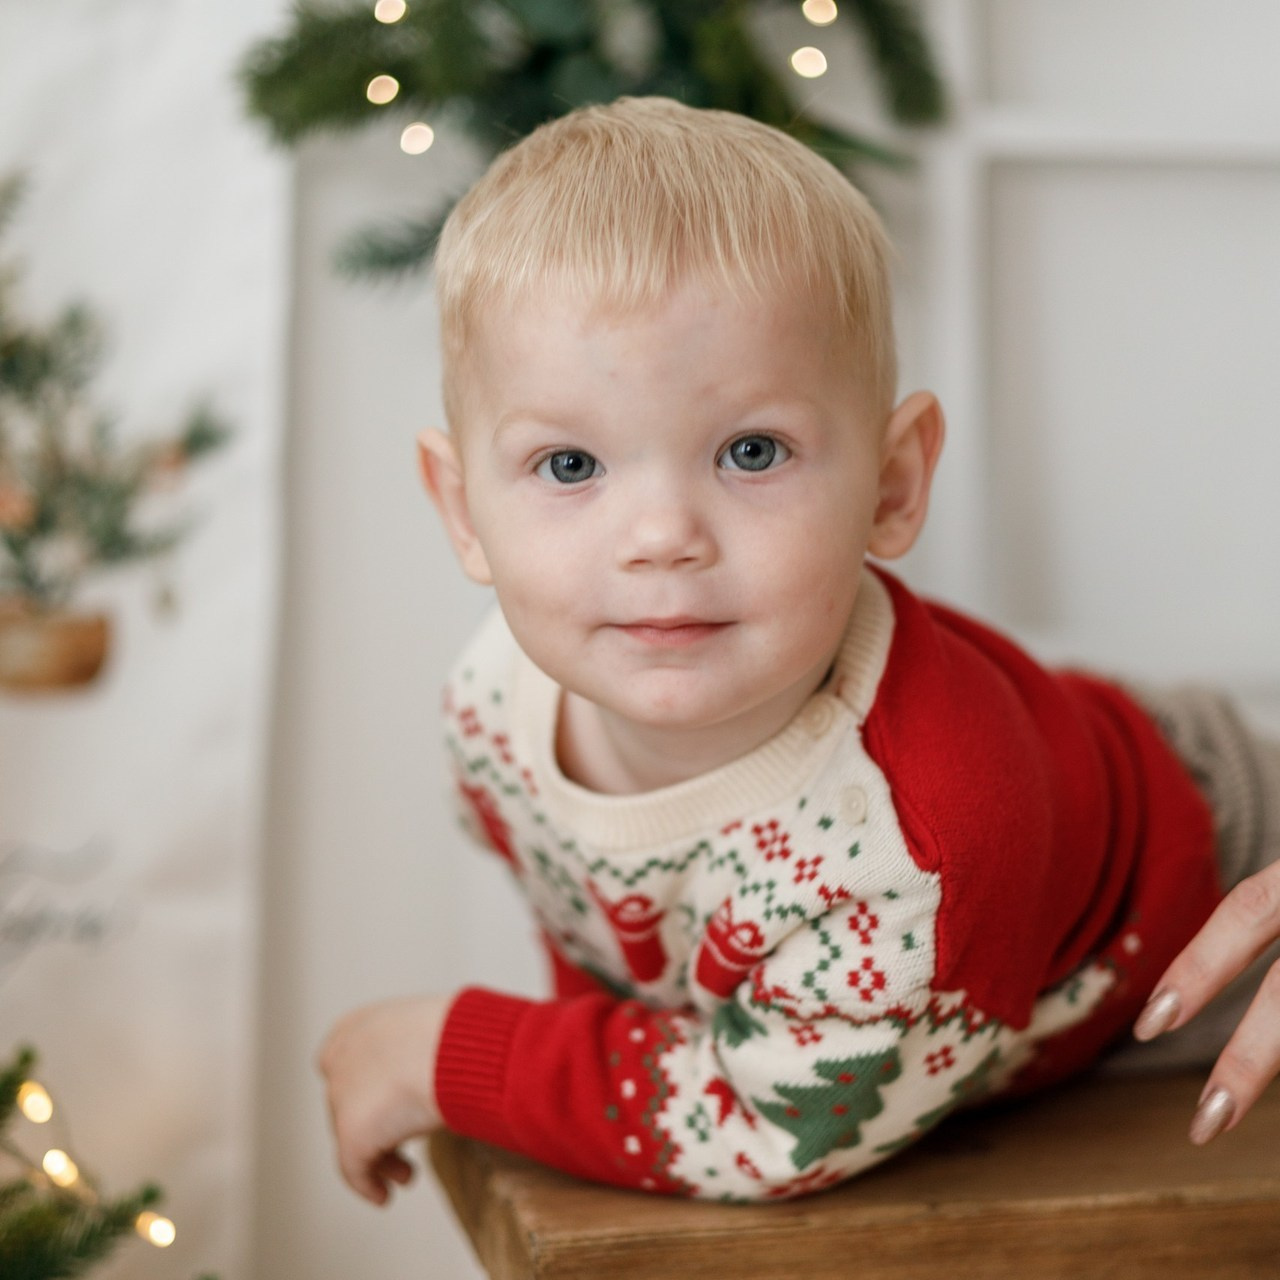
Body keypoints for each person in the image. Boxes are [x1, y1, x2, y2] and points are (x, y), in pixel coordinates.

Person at [317, 97, 1280, 1205]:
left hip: (1207, 882)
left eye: (750, 449)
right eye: (570, 466)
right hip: (1042, 773)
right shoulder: (492, 707)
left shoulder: (918, 842)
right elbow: (598, 936)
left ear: (891, 484)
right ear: (461, 507)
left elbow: (779, 1129)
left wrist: (452, 1053)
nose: (660, 536)